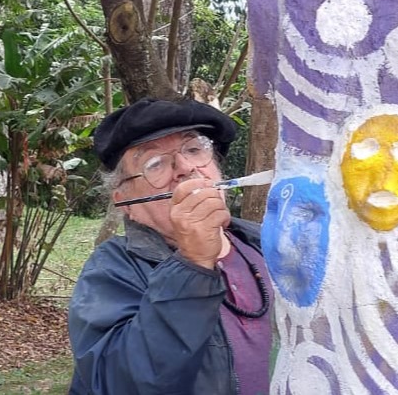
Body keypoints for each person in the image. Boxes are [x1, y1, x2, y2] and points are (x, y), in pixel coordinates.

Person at [68, 97, 274, 395]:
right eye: (155, 163)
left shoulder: (268, 244)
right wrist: (193, 262)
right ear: (126, 202)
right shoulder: (110, 272)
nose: (186, 168)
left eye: (194, 149)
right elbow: (120, 383)